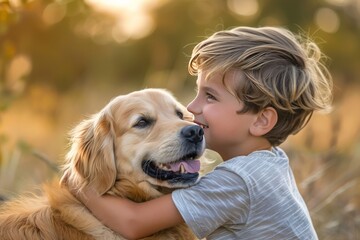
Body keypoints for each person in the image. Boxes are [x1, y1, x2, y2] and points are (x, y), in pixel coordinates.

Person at [78, 26, 333, 239]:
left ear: (261, 121)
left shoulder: (237, 181)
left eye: (210, 96)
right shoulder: (270, 163)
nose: (190, 107)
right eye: (198, 92)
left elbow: (133, 223)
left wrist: (79, 186)